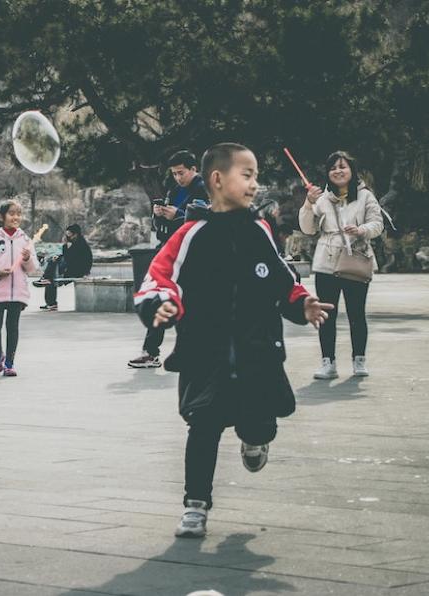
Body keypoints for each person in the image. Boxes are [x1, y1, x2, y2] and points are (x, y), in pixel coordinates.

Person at [134, 142, 331, 538]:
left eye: (256, 175)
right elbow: (158, 276)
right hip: (204, 353)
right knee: (202, 426)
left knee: (259, 425)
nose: (255, 184)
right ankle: (195, 505)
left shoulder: (259, 230)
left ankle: (255, 442)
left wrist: (301, 303)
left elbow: (281, 278)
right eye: (247, 175)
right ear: (218, 180)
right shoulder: (190, 234)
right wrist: (161, 304)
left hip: (256, 353)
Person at [298, 151, 384, 379]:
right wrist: (308, 204)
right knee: (327, 313)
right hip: (327, 261)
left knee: (357, 313)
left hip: (355, 258)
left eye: (342, 167)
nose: (338, 171)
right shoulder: (321, 199)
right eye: (333, 168)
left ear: (352, 171)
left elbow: (378, 223)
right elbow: (308, 229)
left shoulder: (365, 196)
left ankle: (359, 360)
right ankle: (328, 363)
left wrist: (362, 230)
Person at [128, 150, 209, 368]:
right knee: (161, 298)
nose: (178, 178)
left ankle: (192, 349)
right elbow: (163, 223)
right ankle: (150, 351)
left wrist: (179, 216)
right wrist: (159, 213)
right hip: (170, 249)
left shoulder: (204, 189)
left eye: (181, 173)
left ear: (194, 169)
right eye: (174, 174)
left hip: (192, 254)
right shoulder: (174, 190)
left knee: (192, 302)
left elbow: (206, 221)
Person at [0, 200, 40, 377]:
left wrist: (28, 258)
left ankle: (10, 363)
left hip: (18, 292)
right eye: (12, 213)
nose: (16, 217)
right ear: (2, 216)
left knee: (12, 327)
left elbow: (32, 268)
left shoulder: (25, 239)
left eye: (19, 214)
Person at [34, 223, 93, 311]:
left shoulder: (80, 245)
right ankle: (46, 283)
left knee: (51, 275)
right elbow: (69, 257)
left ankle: (51, 301)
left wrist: (65, 245)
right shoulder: (77, 242)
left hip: (78, 271)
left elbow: (69, 259)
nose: (67, 236)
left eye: (68, 234)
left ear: (75, 234)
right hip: (74, 268)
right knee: (51, 272)